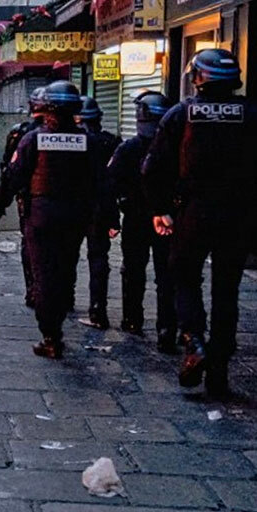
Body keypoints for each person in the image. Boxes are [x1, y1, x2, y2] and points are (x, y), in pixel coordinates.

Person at [142, 49, 257, 397]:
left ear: (197, 78)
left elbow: (153, 167)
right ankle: (218, 371)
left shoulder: (180, 114)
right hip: (240, 214)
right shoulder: (256, 115)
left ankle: (193, 339)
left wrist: (161, 208)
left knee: (184, 276)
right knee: (227, 290)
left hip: (194, 211)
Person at [0, 81, 109, 359]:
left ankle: (50, 335)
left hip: (42, 216)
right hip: (76, 216)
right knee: (66, 267)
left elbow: (14, 176)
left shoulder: (34, 139)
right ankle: (60, 310)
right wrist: (104, 216)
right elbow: (101, 183)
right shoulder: (88, 142)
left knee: (44, 273)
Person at [108, 91, 175, 350]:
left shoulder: (128, 148)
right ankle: (167, 328)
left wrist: (113, 212)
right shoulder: (175, 149)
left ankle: (132, 319)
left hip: (136, 218)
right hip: (168, 220)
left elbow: (111, 182)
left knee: (134, 270)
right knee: (167, 275)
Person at [77, 96, 122, 329]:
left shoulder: (76, 142)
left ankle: (64, 299)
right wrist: (114, 217)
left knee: (67, 257)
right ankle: (98, 309)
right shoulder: (111, 142)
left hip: (74, 207)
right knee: (99, 259)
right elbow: (113, 183)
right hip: (101, 209)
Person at [1, 87, 46, 308]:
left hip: (33, 203)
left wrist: (0, 203)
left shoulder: (27, 135)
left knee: (32, 248)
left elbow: (11, 170)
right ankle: (65, 294)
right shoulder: (82, 137)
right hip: (74, 207)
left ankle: (34, 291)